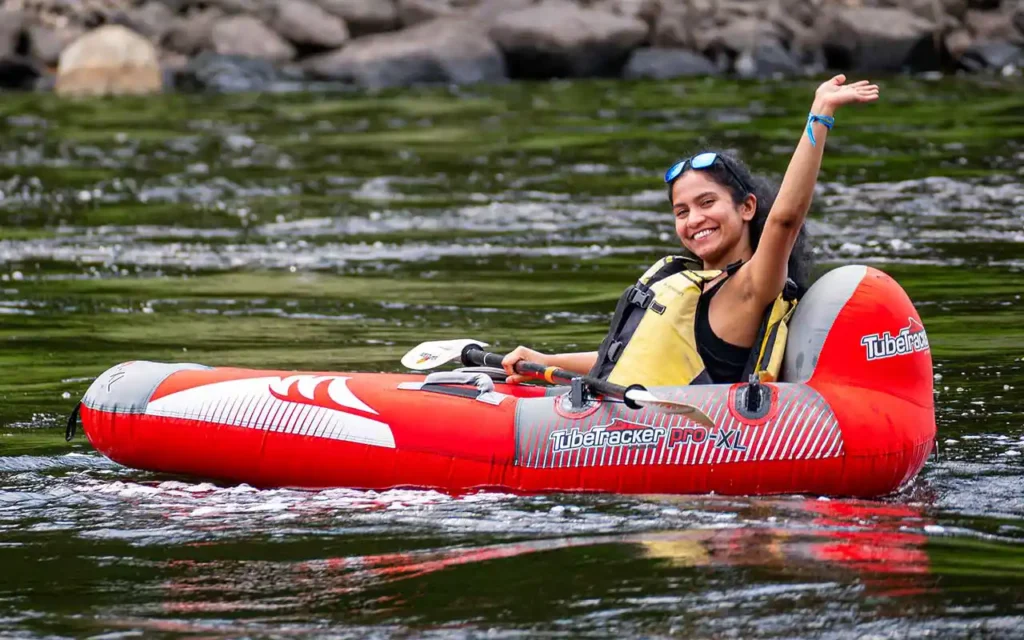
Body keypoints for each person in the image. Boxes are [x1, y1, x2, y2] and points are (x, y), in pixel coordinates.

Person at [502, 74, 879, 386]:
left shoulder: (751, 286)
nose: (694, 219)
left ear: (747, 207)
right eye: (681, 211)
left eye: (707, 203)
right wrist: (545, 360)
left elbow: (785, 219)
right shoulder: (692, 281)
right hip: (633, 424)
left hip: (683, 442)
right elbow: (628, 360)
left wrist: (821, 113)